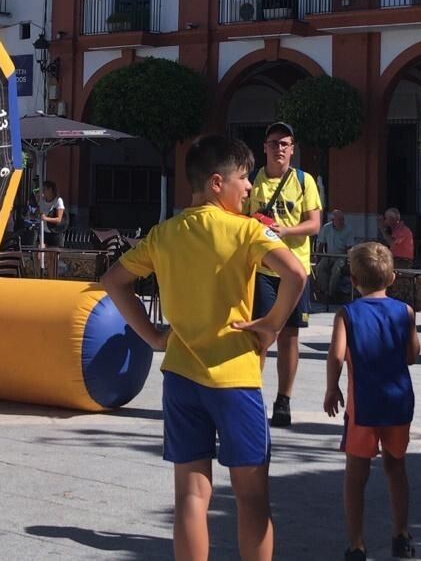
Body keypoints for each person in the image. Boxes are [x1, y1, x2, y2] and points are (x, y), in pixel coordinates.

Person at [100, 134, 305, 561]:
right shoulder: (247, 230)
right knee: (252, 499)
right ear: (217, 182)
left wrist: (155, 336)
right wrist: (270, 325)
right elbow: (296, 274)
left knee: (191, 497)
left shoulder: (165, 233)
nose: (249, 188)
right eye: (244, 178)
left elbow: (113, 280)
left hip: (179, 379)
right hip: (235, 379)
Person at [324, 242, 419, 560]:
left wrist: (331, 388)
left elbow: (336, 355)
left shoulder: (347, 314)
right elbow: (412, 354)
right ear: (392, 277)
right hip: (398, 402)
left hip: (363, 405)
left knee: (356, 475)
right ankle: (402, 534)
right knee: (397, 467)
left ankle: (356, 544)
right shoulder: (405, 312)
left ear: (352, 280)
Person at [247, 122, 322, 428]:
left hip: (295, 270)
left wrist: (285, 230)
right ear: (264, 147)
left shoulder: (304, 182)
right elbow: (238, 217)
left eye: (285, 143)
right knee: (263, 334)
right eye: (273, 142)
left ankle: (283, 400)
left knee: (290, 336)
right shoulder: (252, 182)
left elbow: (315, 224)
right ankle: (253, 397)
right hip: (263, 268)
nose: (279, 148)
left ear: (293, 149)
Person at [315, 208, 360, 301]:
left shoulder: (348, 230)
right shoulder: (326, 228)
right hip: (328, 255)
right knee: (320, 267)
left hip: (341, 256)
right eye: (339, 219)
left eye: (342, 219)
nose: (341, 221)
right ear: (332, 220)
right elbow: (321, 244)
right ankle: (325, 291)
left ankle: (331, 294)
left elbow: (349, 248)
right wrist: (318, 257)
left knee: (336, 270)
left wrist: (349, 262)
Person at [39, 181, 67, 249]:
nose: (43, 192)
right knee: (39, 252)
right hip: (44, 232)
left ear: (50, 190)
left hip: (55, 233)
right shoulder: (42, 201)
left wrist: (46, 218)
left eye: (44, 189)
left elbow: (59, 219)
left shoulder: (58, 201)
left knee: (52, 256)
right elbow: (38, 213)